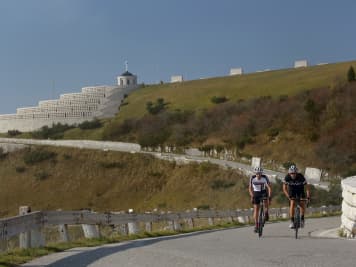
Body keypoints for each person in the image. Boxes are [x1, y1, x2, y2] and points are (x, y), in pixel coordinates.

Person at [283, 164, 311, 229]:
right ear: (289, 173)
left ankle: (302, 219)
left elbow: (307, 188)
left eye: (294, 173)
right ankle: (292, 221)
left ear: (296, 173)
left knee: (302, 203)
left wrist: (308, 196)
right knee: (292, 203)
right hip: (292, 191)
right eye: (291, 173)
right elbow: (284, 189)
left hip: (300, 190)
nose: (293, 175)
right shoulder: (287, 177)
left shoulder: (301, 177)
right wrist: (288, 197)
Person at [249, 166, 272, 233]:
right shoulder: (252, 178)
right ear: (255, 173)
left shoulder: (265, 177)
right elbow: (250, 188)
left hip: (263, 192)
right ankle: (256, 225)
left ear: (261, 173)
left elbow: (269, 188)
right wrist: (252, 196)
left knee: (266, 201)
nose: (258, 175)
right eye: (257, 173)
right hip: (256, 193)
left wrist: (270, 196)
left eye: (259, 173)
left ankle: (266, 212)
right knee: (256, 209)